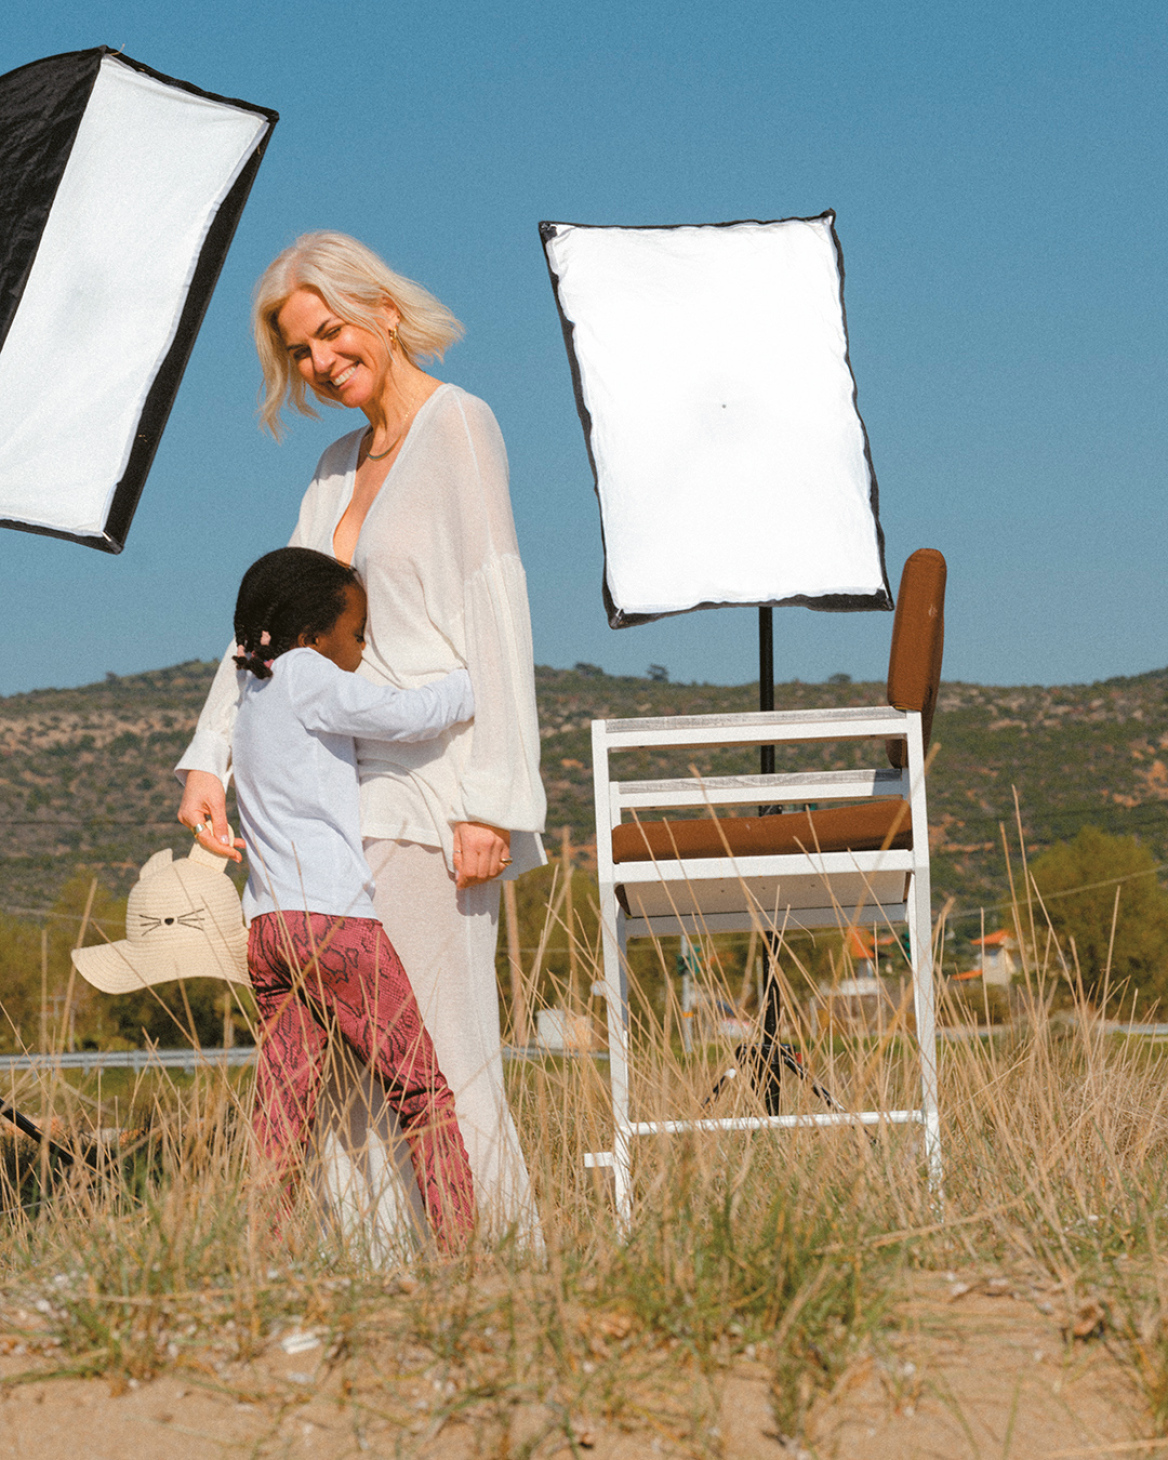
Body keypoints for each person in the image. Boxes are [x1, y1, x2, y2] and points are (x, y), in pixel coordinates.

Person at [177, 232, 546, 1242]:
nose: (320, 363)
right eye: (299, 350)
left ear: (382, 309)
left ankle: (496, 1275)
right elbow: (268, 629)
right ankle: (377, 1285)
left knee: (441, 1045)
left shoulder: (459, 425)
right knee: (346, 1073)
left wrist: (493, 801)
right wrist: (209, 755)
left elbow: (495, 607)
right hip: (329, 802)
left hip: (430, 792)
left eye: (330, 332)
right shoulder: (334, 469)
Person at [228, 547, 477, 1252]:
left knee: (282, 1106)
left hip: (270, 927)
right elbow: (403, 716)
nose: (362, 648)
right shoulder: (310, 674)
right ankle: (464, 1252)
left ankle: (262, 1254)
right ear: (312, 634)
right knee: (422, 1089)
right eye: (358, 633)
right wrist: (474, 684)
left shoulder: (254, 688)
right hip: (336, 923)